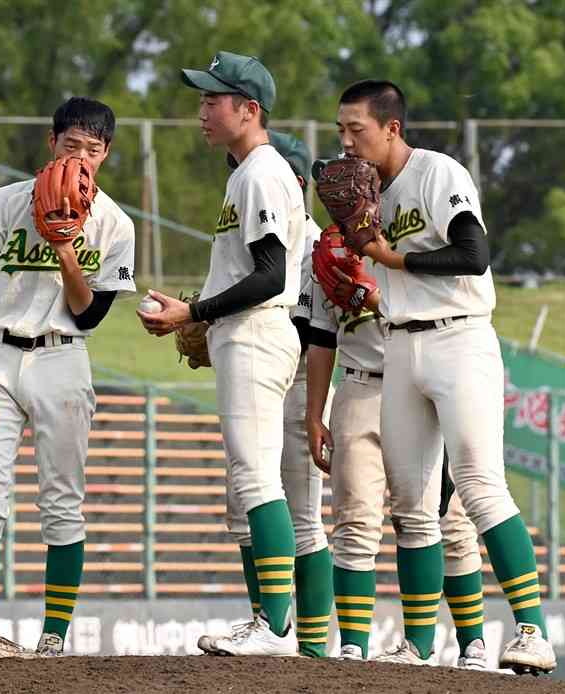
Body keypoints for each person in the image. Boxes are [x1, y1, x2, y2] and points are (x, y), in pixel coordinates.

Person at [333, 78, 555, 673]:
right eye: (341, 130)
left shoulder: (438, 174)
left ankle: (532, 631)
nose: (347, 142)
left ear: (392, 128)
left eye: (357, 129)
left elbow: (474, 254)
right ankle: (417, 645)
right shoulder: (367, 192)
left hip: (460, 336)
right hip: (399, 346)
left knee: (481, 487)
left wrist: (392, 258)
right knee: (412, 505)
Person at [139, 51, 305, 656]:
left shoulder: (262, 170)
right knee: (247, 483)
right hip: (247, 333)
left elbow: (270, 274)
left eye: (214, 100)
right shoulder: (243, 173)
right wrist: (192, 310)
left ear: (249, 109)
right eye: (203, 99)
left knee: (257, 477)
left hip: (259, 331)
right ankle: (266, 620)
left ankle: (276, 628)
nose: (202, 111)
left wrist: (195, 313)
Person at [0, 96, 136, 656]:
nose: (80, 157)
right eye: (70, 145)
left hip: (64, 355)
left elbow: (88, 313)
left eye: (92, 148)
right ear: (50, 142)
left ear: (105, 153)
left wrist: (65, 249)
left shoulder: (114, 222)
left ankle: (54, 637)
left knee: (62, 501)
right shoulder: (6, 203)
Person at [305, 267, 487, 668]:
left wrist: (372, 297)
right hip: (359, 386)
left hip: (425, 387)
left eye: (358, 197)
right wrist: (314, 413)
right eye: (337, 199)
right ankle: (353, 644)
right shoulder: (331, 253)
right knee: (354, 520)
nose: (347, 201)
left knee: (451, 522)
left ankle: (472, 643)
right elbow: (321, 338)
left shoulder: (415, 246)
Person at [198, 130, 333, 657]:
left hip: (300, 376)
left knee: (300, 516)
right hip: (268, 357)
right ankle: (265, 622)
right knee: (243, 505)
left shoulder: (317, 242)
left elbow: (321, 328)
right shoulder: (261, 216)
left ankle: (311, 646)